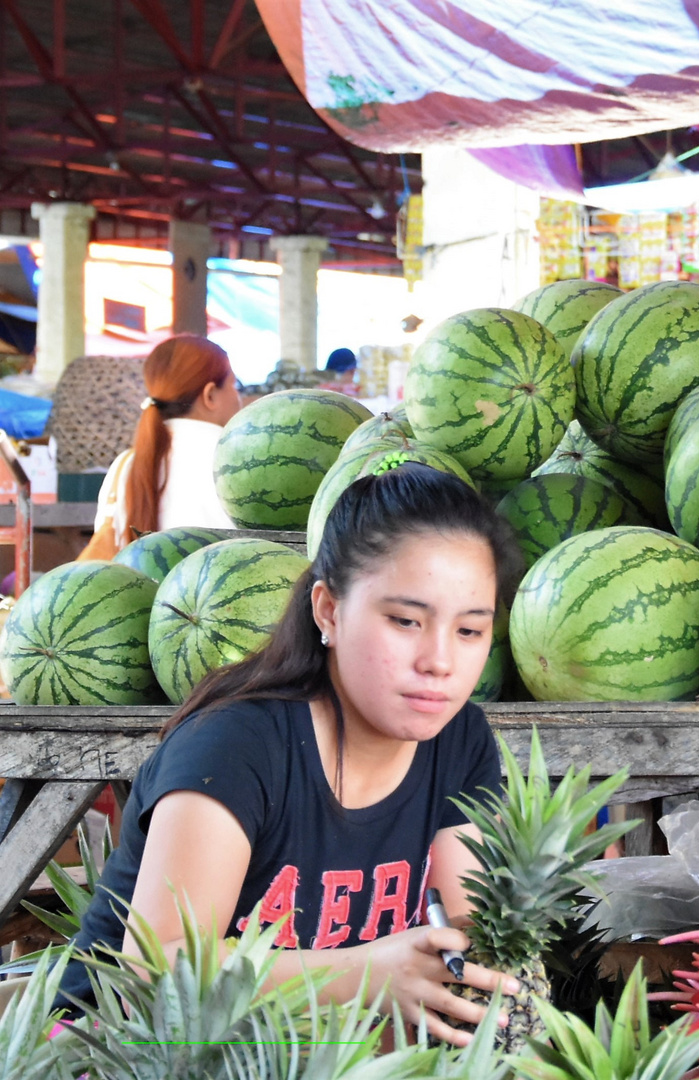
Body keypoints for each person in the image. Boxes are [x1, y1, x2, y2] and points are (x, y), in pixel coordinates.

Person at [58, 463, 525, 1046]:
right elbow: (153, 975)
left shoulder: (460, 741)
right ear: (329, 610)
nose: (439, 661)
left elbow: (465, 935)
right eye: (406, 620)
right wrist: (365, 975)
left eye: (470, 631)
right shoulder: (234, 746)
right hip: (117, 1053)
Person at [89, 335, 240, 555]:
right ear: (210, 396)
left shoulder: (125, 464)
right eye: (234, 385)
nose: (239, 398)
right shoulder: (237, 457)